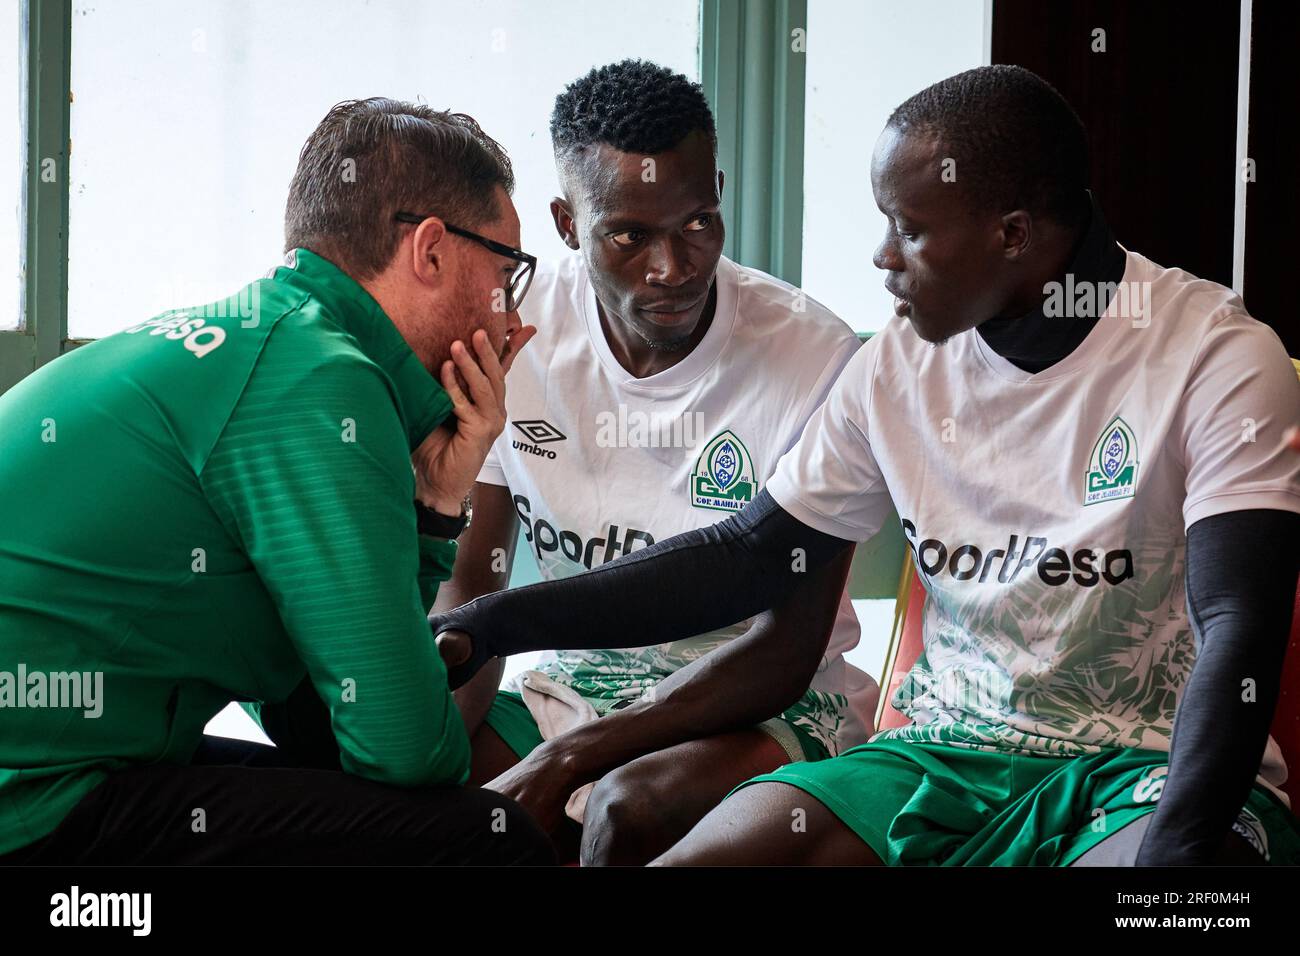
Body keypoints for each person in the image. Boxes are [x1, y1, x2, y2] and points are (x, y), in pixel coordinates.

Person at [434, 66, 1300, 866]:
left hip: (1145, 775)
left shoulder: (1215, 355)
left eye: (910, 230)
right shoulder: (896, 364)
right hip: (939, 755)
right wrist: (498, 622)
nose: (883, 256)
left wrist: (1176, 857)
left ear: (1012, 235)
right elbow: (747, 556)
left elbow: (1240, 625)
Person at [0, 98, 550, 865]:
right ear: (431, 250)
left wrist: (433, 507)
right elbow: (410, 752)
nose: (510, 321)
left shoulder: (262, 339)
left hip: (49, 774)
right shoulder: (319, 381)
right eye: (505, 274)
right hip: (29, 808)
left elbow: (322, 726)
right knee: (483, 843)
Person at [434, 60, 876, 865]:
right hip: (578, 685)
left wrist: (574, 756)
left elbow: (787, 647)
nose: (673, 268)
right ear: (569, 225)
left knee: (631, 807)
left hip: (762, 701)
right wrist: (423, 757)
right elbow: (476, 581)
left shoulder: (816, 355)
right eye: (630, 235)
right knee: (431, 803)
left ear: (719, 190)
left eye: (698, 223)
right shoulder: (516, 332)